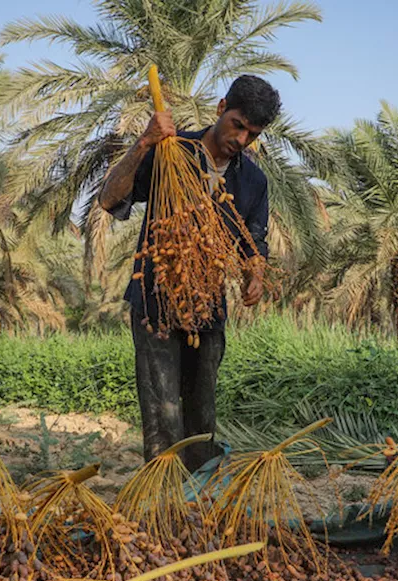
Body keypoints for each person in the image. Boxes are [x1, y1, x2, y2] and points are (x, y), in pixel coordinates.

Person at [100, 75, 278, 471]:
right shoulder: (170, 152)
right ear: (220, 108)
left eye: (253, 134)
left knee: (202, 408)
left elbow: (255, 243)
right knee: (161, 410)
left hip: (207, 305)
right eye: (238, 125)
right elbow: (109, 199)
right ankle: (164, 492)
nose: (242, 140)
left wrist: (256, 275)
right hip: (156, 301)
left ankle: (200, 489)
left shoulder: (253, 181)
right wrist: (144, 141)